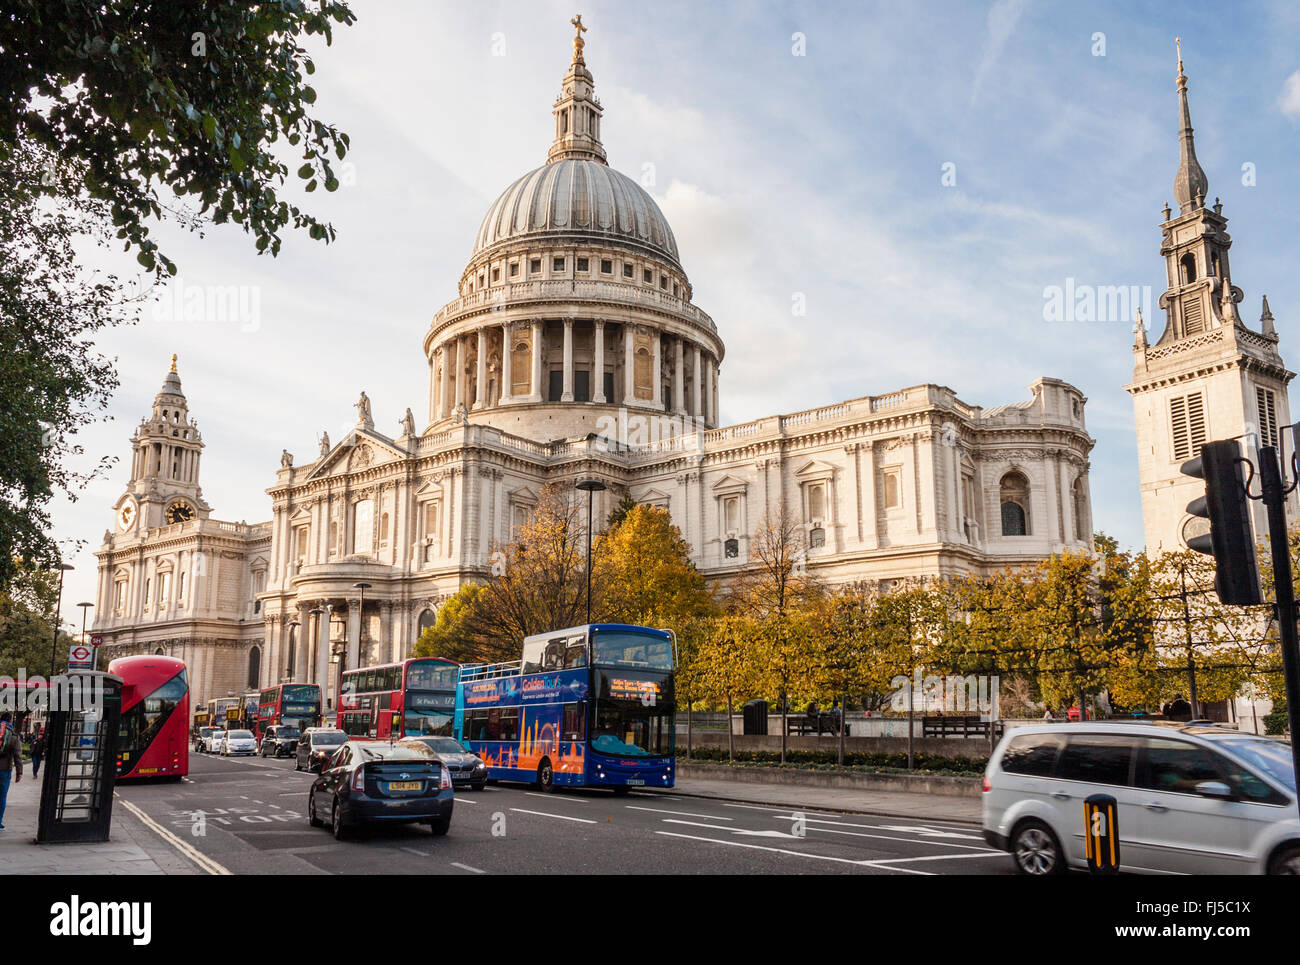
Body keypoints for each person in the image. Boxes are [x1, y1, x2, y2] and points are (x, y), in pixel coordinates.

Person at [0, 712, 23, 831]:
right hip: (4, 770)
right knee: (2, 797)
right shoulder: (13, 736)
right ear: (10, 721)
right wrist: (19, 772)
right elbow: (18, 756)